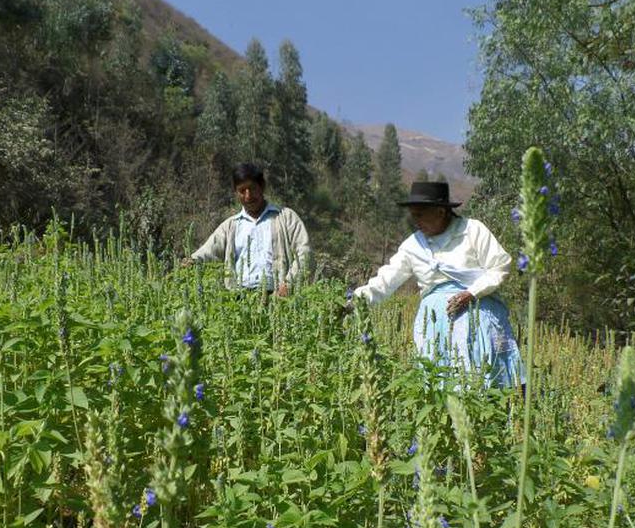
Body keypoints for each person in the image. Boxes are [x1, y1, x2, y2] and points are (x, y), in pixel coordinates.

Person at [351, 181, 524, 388]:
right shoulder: (413, 246)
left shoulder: (472, 231)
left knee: (490, 382)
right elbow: (385, 280)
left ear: (441, 212)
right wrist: (354, 301)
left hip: (479, 318)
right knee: (441, 386)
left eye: (420, 215)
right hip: (435, 327)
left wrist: (471, 293)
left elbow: (500, 266)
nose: (416, 221)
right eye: (413, 215)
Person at [183, 163, 310, 296]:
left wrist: (289, 284)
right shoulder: (231, 226)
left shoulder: (285, 217)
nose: (248, 196)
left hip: (277, 298)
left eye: (252, 189)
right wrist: (191, 261)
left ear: (262, 187)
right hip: (240, 300)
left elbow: (305, 253)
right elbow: (210, 250)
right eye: (242, 191)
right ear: (236, 193)